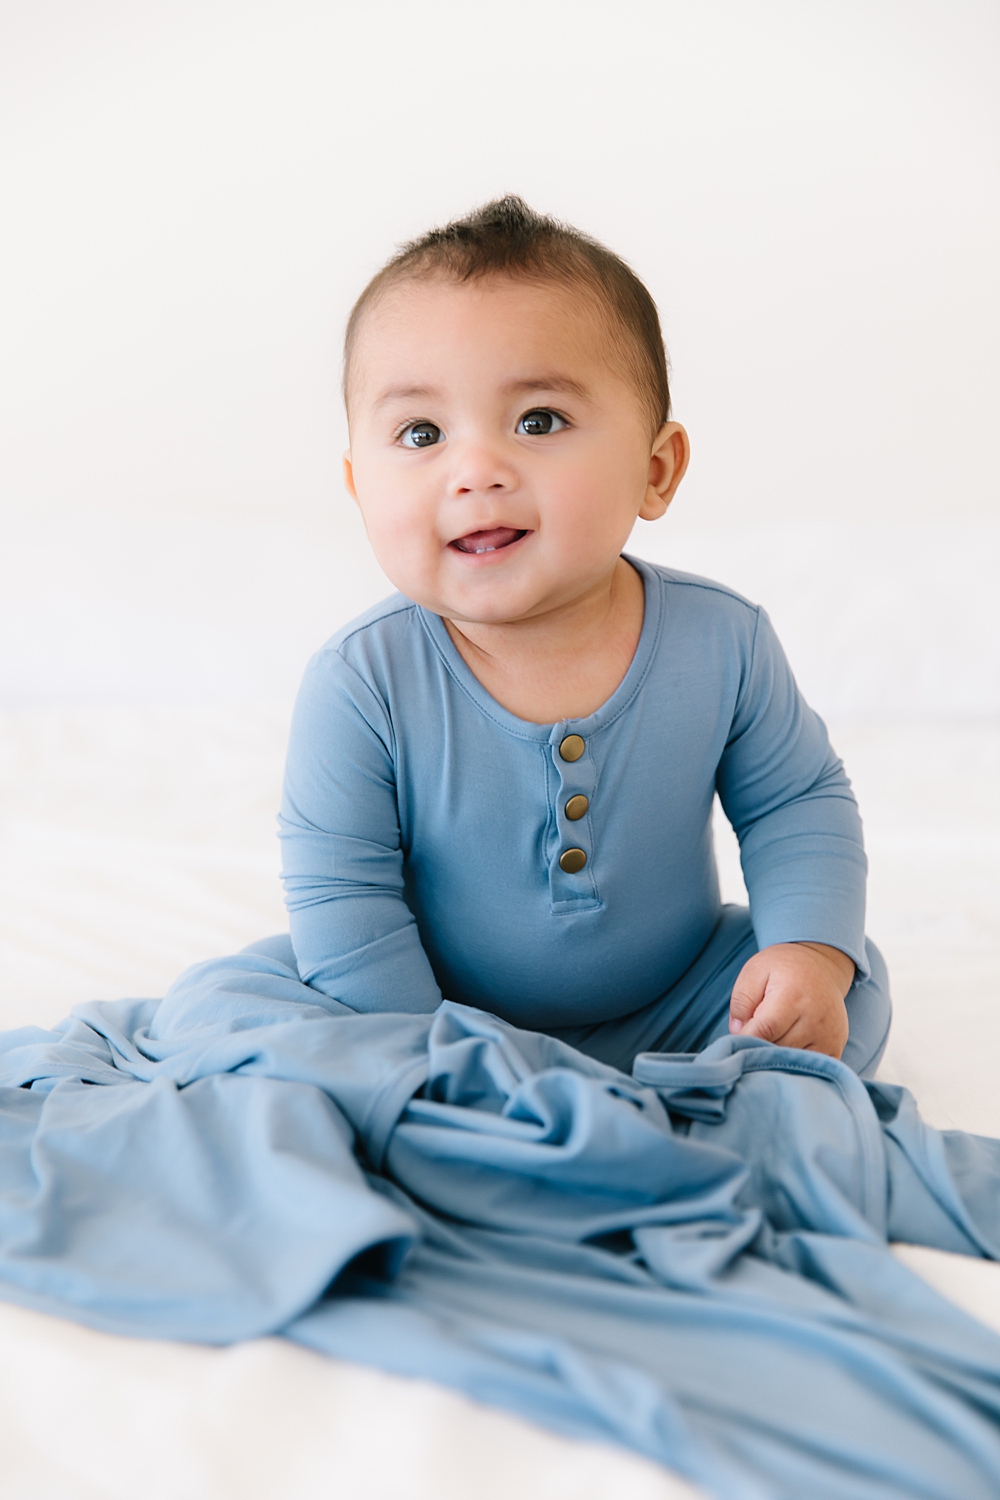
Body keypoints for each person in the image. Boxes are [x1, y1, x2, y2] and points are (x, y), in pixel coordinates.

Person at [272, 196, 891, 1079]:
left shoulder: (723, 641)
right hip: (440, 1011)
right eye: (421, 433)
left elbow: (797, 803)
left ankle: (716, 1099)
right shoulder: (362, 682)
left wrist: (808, 955)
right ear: (358, 487)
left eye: (538, 420)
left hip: (674, 997)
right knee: (263, 996)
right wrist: (434, 1059)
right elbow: (344, 896)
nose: (476, 470)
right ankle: (498, 1111)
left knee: (846, 978)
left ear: (656, 469)